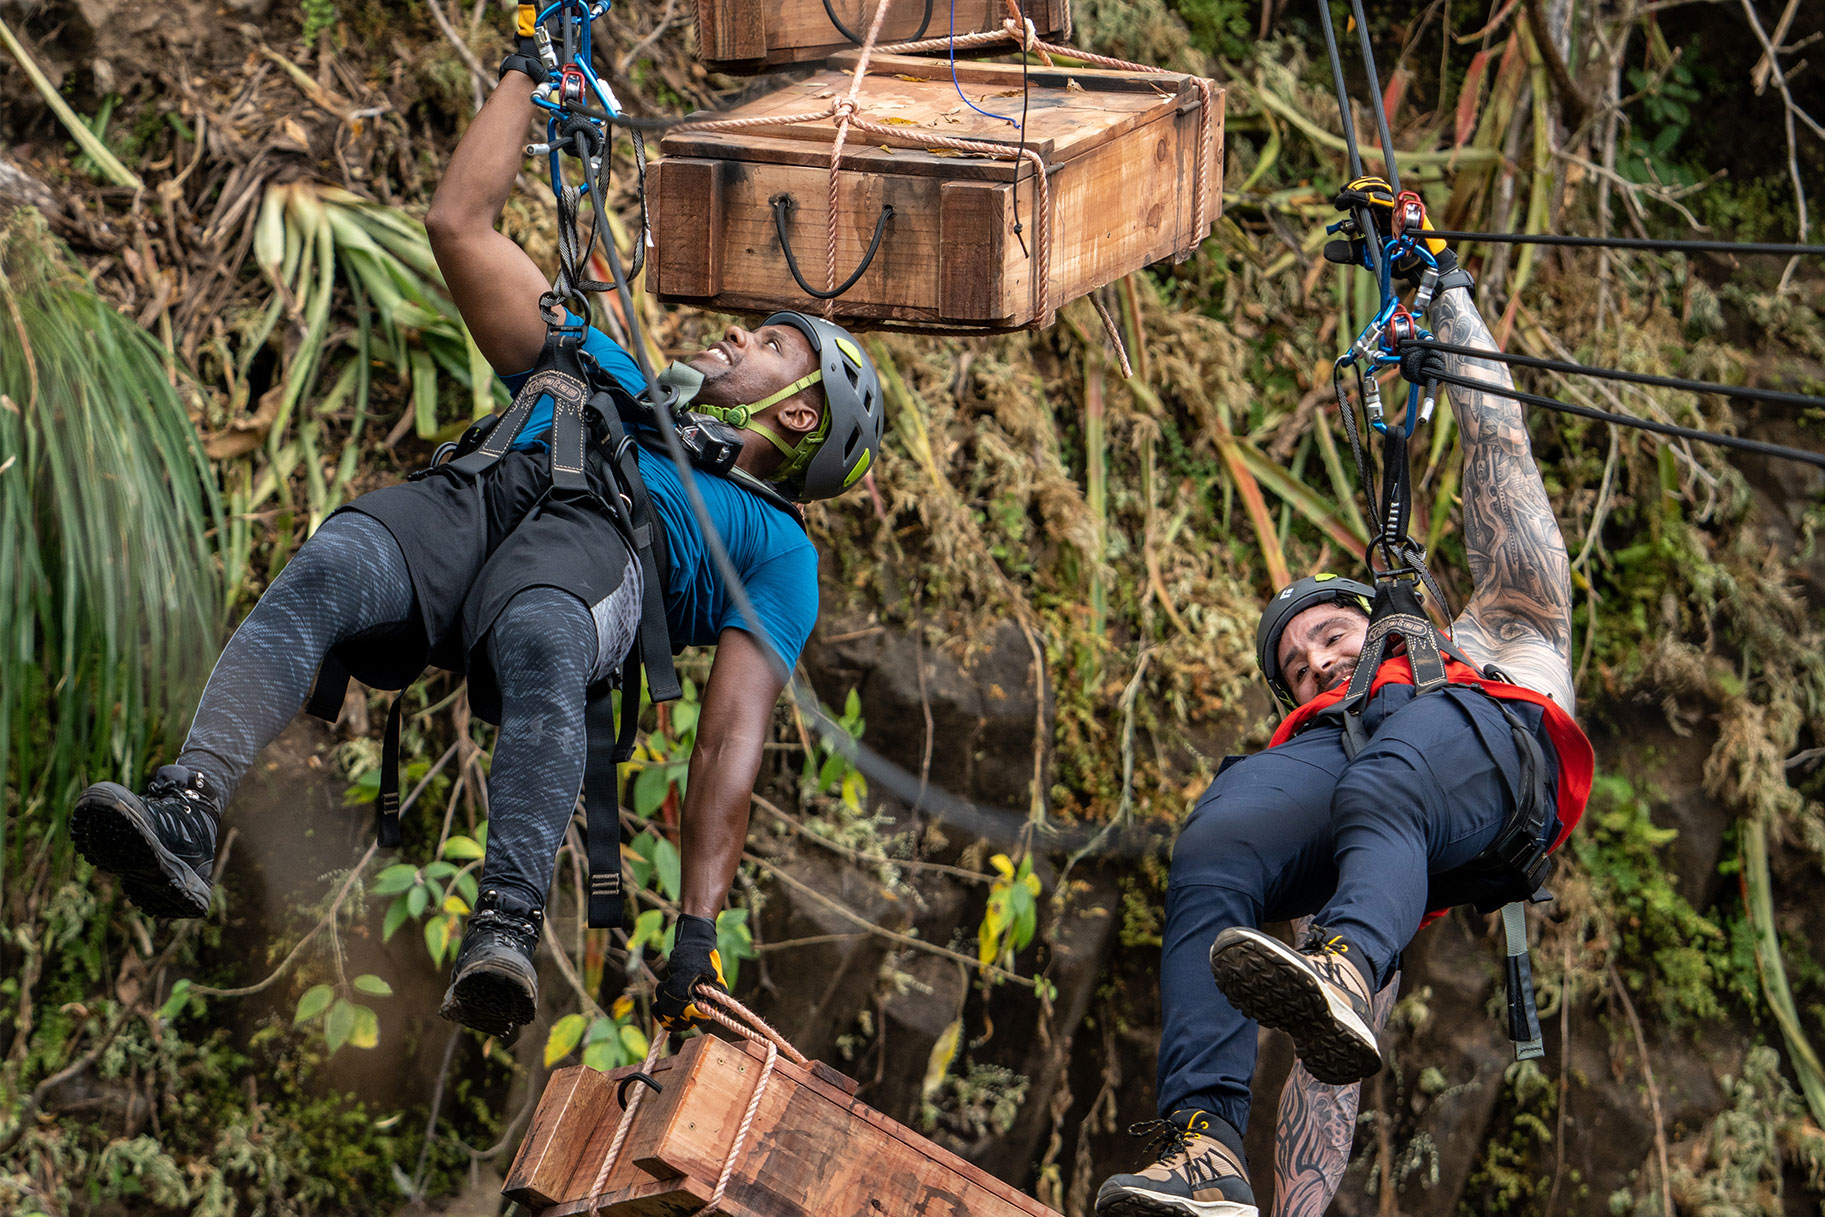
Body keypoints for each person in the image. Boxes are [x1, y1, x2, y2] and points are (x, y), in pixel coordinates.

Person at [69, 33, 883, 1045]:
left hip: (590, 559)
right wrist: (527, 68)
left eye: (769, 345)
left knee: (546, 630)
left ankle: (503, 925)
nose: (735, 334)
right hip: (479, 506)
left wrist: (697, 928)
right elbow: (459, 222)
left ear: (802, 416)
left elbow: (728, 740)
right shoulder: (603, 367)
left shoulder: (773, 543)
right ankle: (187, 808)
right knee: (332, 562)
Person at [1094, 183, 1594, 1217]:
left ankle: (1345, 967)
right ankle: (1203, 1147)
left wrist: (1441, 293)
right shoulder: (1338, 806)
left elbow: (1500, 450)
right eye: (1294, 665)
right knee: (1220, 841)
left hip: (1489, 767)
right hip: (1373, 842)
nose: (1315, 661)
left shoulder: (1489, 635)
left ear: (1391, 619)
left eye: (1332, 634)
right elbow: (1328, 1089)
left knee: (1390, 773)